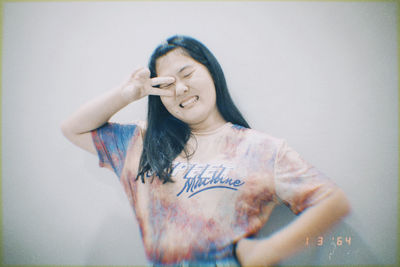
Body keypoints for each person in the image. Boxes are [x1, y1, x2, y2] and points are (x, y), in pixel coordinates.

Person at [61, 35, 350, 266]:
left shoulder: (260, 149)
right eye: (167, 84)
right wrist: (126, 94)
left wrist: (269, 251)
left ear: (211, 72)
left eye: (187, 73)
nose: (180, 89)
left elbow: (332, 201)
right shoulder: (140, 142)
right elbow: (72, 129)